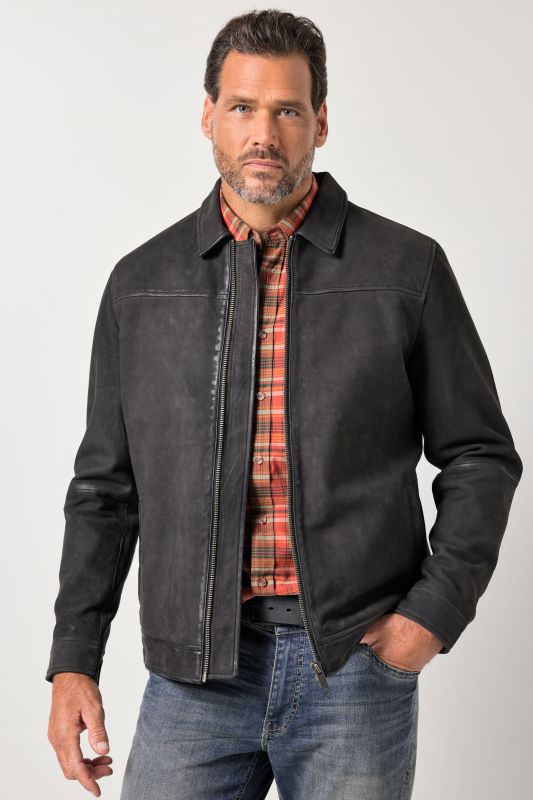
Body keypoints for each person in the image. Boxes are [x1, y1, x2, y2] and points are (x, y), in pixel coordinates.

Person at [46, 9, 523, 800]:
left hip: (353, 669)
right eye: (242, 106)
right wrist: (73, 660)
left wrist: (430, 615)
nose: (262, 133)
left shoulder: (405, 269)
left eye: (286, 110)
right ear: (208, 115)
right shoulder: (142, 284)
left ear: (320, 123)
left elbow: (479, 456)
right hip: (195, 676)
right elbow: (105, 489)